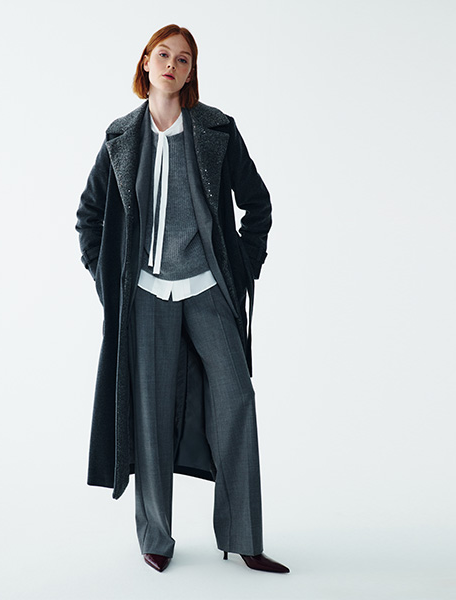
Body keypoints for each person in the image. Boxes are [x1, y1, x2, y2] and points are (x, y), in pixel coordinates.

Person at [76, 23, 289, 574]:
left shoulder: (217, 130)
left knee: (236, 398)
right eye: (163, 55)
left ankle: (243, 537)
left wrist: (241, 270)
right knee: (149, 411)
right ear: (146, 63)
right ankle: (156, 537)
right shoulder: (120, 138)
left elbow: (258, 205)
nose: (172, 64)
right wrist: (109, 283)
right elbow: (89, 217)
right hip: (145, 294)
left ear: (191, 73)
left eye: (184, 59)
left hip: (207, 288)